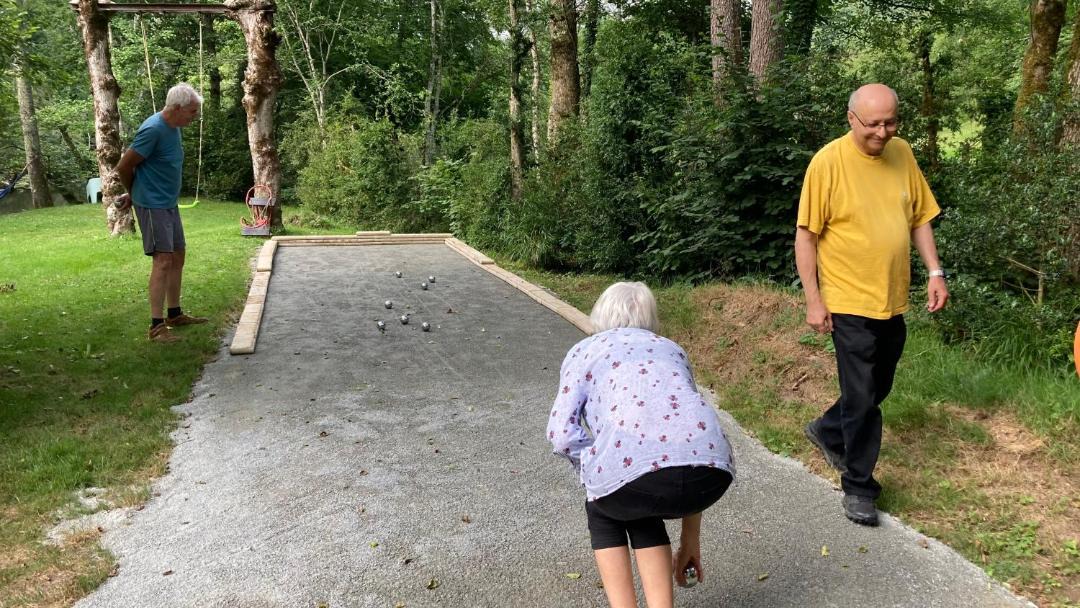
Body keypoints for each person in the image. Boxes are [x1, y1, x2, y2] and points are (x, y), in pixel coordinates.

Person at [795, 83, 949, 526]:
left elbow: (920, 217)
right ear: (851, 119)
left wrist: (935, 273)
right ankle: (859, 486)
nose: (883, 133)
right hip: (848, 297)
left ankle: (826, 429)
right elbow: (806, 236)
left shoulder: (902, 153)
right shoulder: (827, 163)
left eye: (891, 122)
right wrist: (814, 298)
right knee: (863, 396)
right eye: (874, 124)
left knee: (877, 385)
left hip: (892, 296)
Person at [547, 282, 735, 608]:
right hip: (711, 473)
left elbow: (561, 434)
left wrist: (594, 467)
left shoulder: (585, 349)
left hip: (643, 476)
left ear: (600, 314)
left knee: (607, 501)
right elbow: (686, 443)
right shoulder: (672, 349)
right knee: (638, 494)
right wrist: (690, 542)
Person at [115, 83, 208, 343]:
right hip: (153, 203)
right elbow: (124, 166)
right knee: (163, 260)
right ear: (176, 108)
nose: (194, 116)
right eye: (192, 112)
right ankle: (156, 328)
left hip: (168, 202)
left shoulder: (174, 127)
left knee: (178, 255)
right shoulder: (153, 129)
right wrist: (133, 194)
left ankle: (174, 314)